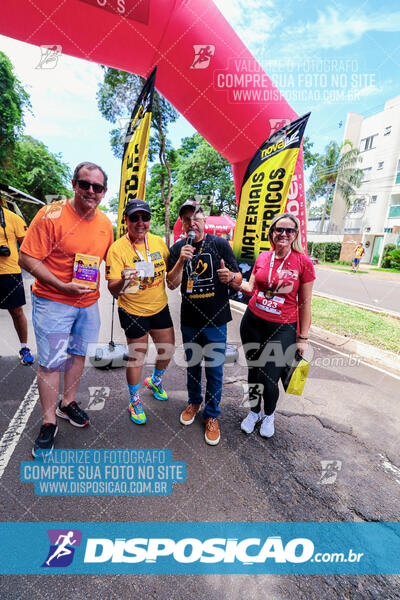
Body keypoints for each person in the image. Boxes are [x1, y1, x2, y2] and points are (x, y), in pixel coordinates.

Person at [19, 162, 114, 457]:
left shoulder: (105, 223)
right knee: (50, 364)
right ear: (74, 184)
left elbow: (108, 265)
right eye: (84, 184)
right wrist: (62, 285)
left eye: (97, 187)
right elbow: (26, 258)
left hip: (87, 304)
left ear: (103, 192)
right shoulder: (51, 215)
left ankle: (67, 403)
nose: (90, 191)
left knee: (77, 355)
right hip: (53, 302)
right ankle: (48, 422)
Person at [167, 200, 242, 445]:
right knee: (193, 366)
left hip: (217, 321)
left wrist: (230, 277)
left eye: (196, 218)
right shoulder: (178, 247)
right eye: (187, 219)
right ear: (183, 224)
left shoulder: (219, 244)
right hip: (190, 321)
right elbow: (171, 283)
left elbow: (239, 278)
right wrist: (180, 260)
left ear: (204, 220)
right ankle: (194, 402)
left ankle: (211, 415)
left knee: (215, 370)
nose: (192, 223)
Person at [239, 212, 315, 438]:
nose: (283, 234)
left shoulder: (303, 262)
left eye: (288, 230)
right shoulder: (263, 257)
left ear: (295, 235)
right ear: (272, 233)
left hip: (283, 328)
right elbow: (251, 288)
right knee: (254, 371)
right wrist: (233, 279)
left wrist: (303, 338)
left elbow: (305, 303)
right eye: (278, 229)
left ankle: (269, 415)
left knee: (270, 378)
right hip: (253, 321)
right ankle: (253, 412)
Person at [106, 199, 174, 425]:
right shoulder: (117, 249)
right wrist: (123, 281)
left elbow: (171, 272)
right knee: (138, 356)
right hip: (133, 310)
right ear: (126, 220)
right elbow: (112, 289)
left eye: (144, 217)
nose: (140, 222)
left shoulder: (158, 243)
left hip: (159, 306)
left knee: (167, 349)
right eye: (134, 218)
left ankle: (155, 380)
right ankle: (134, 400)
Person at [0, 202, 34, 365]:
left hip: (10, 272)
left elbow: (28, 245)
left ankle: (24, 348)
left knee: (17, 312)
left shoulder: (12, 218)